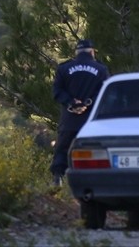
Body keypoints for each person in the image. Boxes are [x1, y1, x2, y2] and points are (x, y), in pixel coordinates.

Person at [50, 38, 109, 186]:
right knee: (94, 149)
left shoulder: (64, 68)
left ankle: (58, 177)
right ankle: (94, 182)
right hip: (91, 120)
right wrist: (87, 103)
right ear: (92, 52)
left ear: (76, 52)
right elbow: (105, 92)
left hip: (69, 119)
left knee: (63, 148)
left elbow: (57, 91)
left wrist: (71, 102)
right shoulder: (101, 69)